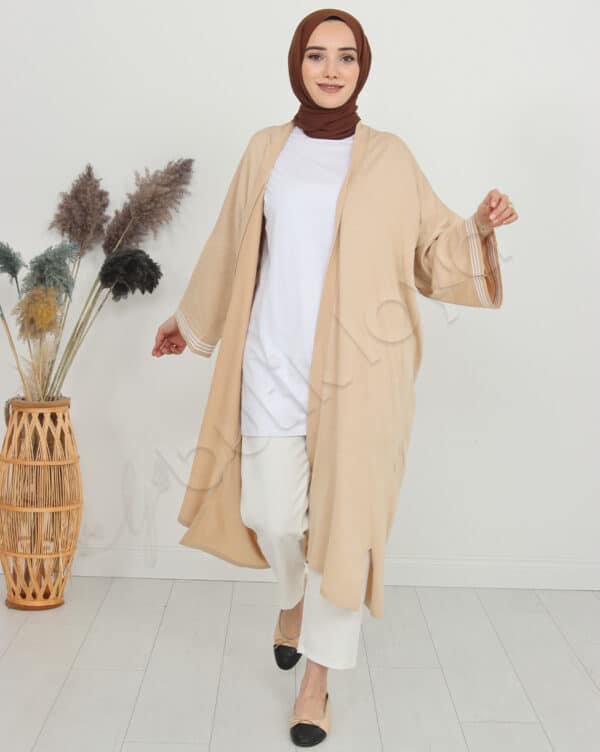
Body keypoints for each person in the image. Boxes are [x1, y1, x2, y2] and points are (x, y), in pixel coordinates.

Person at [152, 8, 518, 747]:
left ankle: (315, 682)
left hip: (364, 374)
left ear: (362, 67)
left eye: (345, 56)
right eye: (316, 55)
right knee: (272, 515)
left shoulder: (390, 158)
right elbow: (229, 243)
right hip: (271, 365)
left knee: (344, 529)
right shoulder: (266, 149)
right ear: (297, 64)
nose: (330, 69)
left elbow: (432, 250)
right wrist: (190, 323)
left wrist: (478, 228)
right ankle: (293, 599)